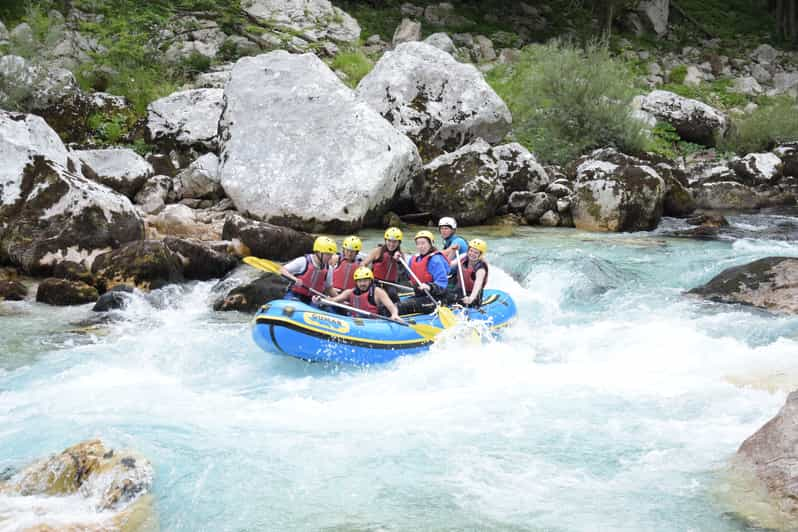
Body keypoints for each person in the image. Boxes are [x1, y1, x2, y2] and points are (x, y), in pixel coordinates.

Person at [314, 267, 401, 321]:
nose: (362, 284)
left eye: (365, 280)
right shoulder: (349, 292)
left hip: (373, 323)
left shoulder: (377, 292)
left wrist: (394, 314)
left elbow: (391, 306)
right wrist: (321, 300)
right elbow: (333, 300)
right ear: (356, 282)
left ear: (370, 281)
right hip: (355, 322)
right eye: (360, 281)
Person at [396, 230, 451, 315]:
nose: (420, 246)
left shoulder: (436, 260)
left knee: (399, 307)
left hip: (436, 299)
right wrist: (399, 262)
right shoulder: (414, 259)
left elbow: (442, 285)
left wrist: (429, 286)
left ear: (431, 243)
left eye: (423, 243)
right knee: (391, 305)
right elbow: (406, 278)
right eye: (418, 244)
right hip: (420, 297)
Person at [280, 236, 338, 304]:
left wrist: (338, 299)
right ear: (318, 252)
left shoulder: (329, 269)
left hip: (313, 300)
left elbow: (329, 288)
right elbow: (282, 270)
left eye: (331, 255)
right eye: (327, 254)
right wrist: (294, 279)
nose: (330, 257)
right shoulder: (303, 261)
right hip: (295, 295)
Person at [363, 227, 406, 300]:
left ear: (399, 243)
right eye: (389, 241)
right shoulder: (377, 251)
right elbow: (363, 264)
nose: (391, 244)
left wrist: (399, 261)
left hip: (390, 284)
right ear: (385, 240)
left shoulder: (400, 255)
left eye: (395, 242)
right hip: (375, 282)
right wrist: (367, 278)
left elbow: (403, 274)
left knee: (393, 296)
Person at [450, 238, 489, 307]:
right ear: (468, 250)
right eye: (471, 251)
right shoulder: (464, 256)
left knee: (465, 304)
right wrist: (453, 252)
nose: (472, 254)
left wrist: (471, 298)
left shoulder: (481, 268)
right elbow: (449, 264)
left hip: (473, 293)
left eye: (476, 252)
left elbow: (478, 284)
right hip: (460, 289)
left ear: (481, 255)